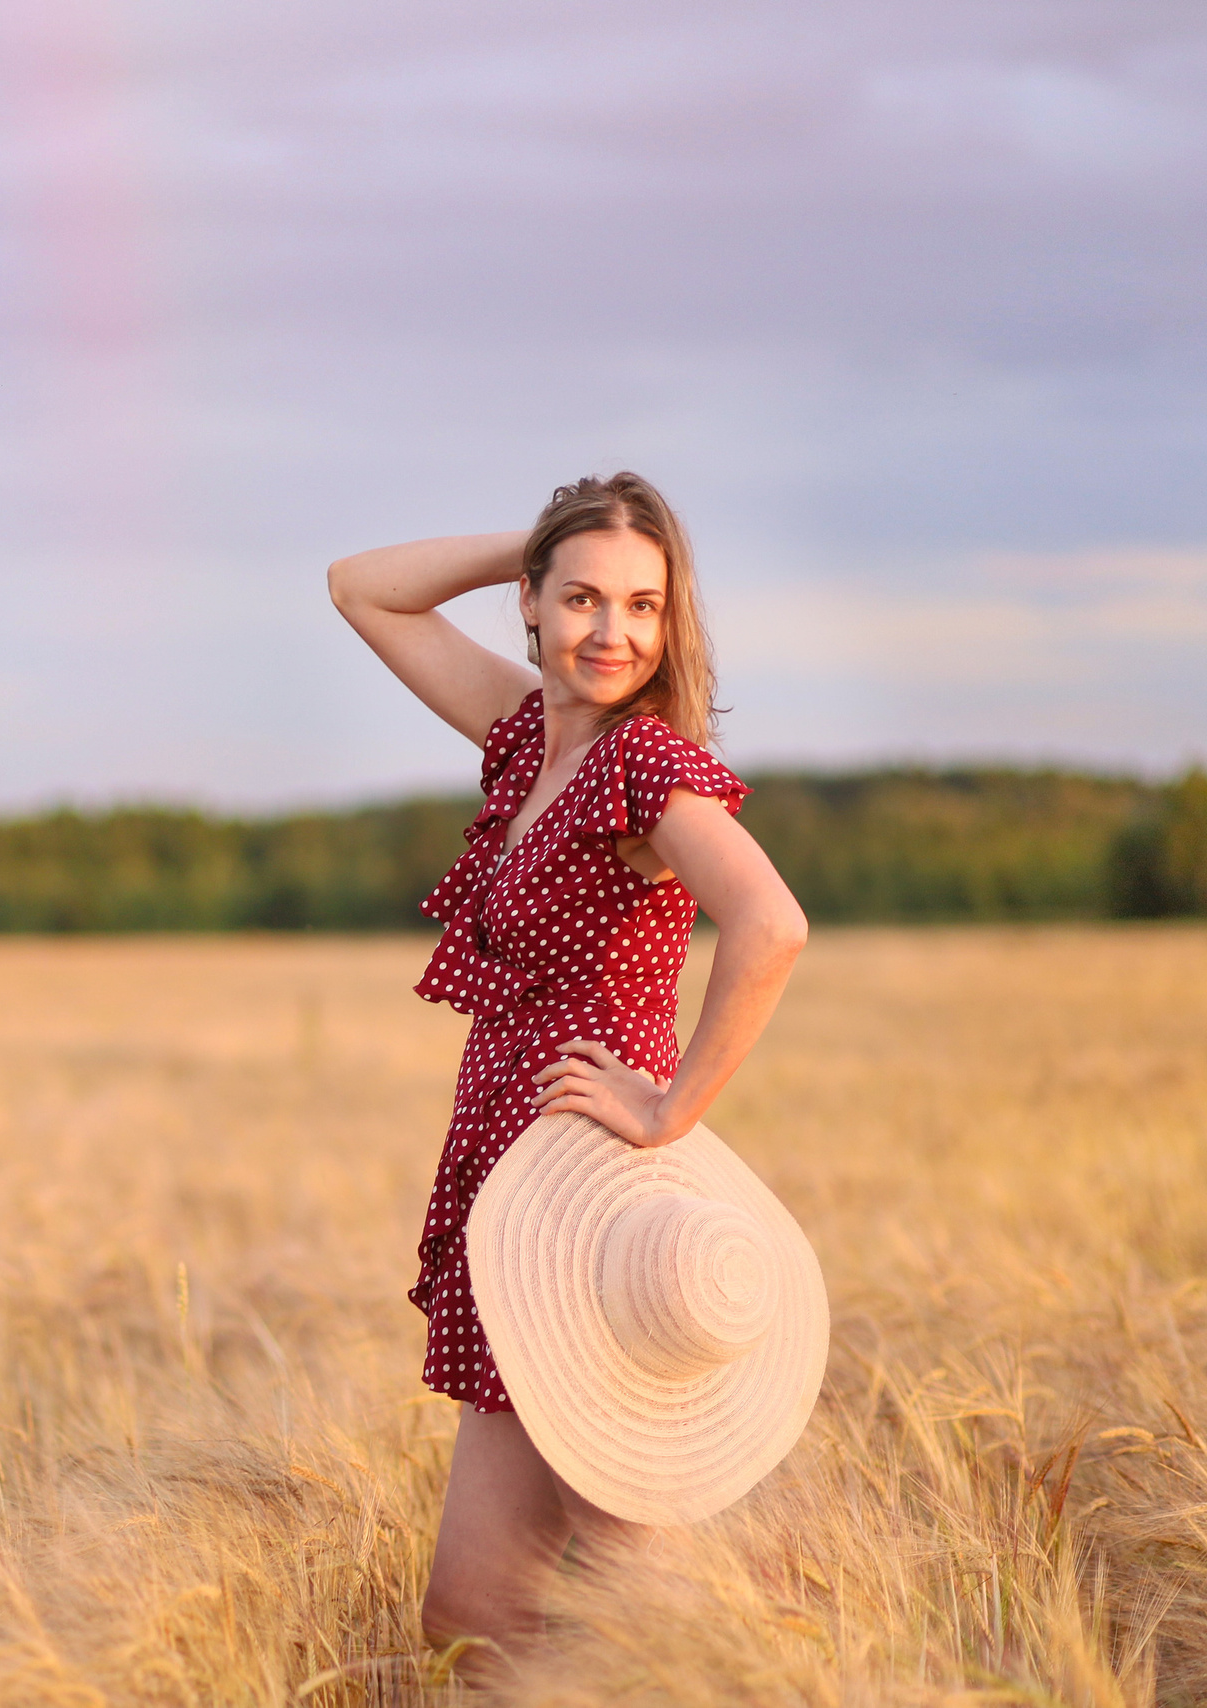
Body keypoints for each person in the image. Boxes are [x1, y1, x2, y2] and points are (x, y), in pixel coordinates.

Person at [326, 473, 808, 1675]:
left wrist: (670, 1105)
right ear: (531, 606)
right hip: (515, 1188)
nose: (612, 632)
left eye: (644, 607)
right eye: (583, 598)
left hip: (593, 1193)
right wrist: (534, 544)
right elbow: (361, 591)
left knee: (635, 1588)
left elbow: (771, 923)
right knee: (474, 1618)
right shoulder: (525, 734)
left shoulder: (646, 766)